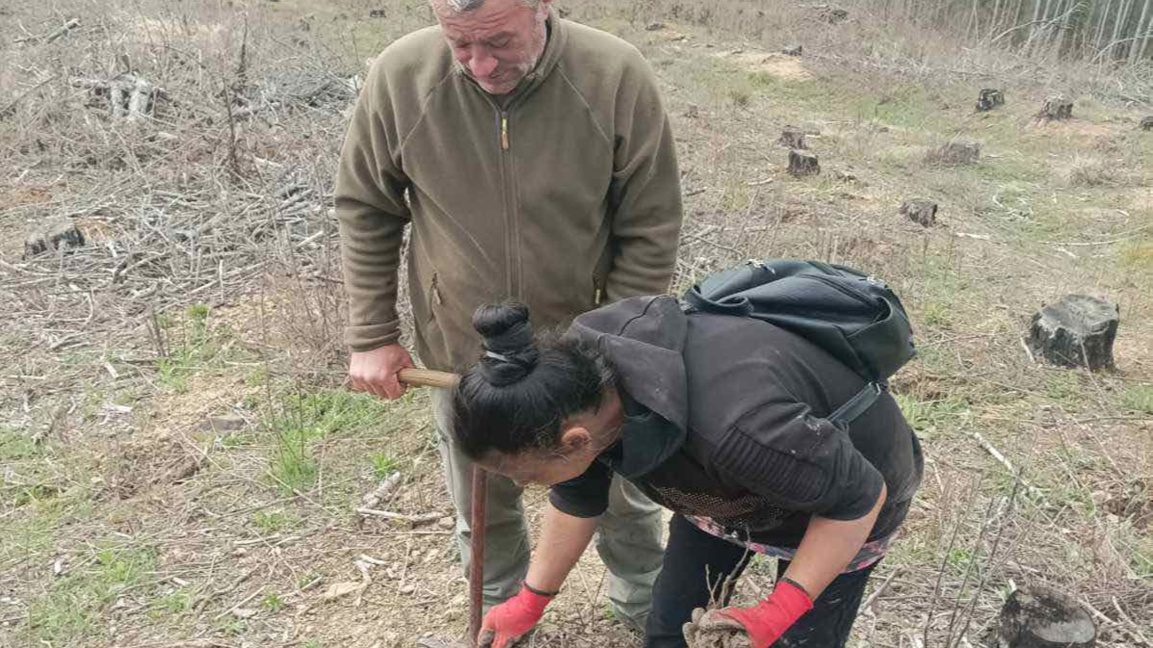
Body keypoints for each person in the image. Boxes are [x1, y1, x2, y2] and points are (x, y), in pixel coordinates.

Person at [333, 0, 684, 629]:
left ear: (542, 7)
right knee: (483, 489)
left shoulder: (613, 75)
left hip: (588, 354)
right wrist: (372, 334)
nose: (480, 64)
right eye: (460, 44)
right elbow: (366, 207)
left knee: (623, 487)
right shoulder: (401, 76)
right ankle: (499, 613)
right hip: (463, 350)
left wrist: (615, 343)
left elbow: (650, 222)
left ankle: (645, 601)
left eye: (498, 40)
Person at [450, 298, 924, 648]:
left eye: (524, 476)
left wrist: (779, 609)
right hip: (722, 497)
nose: (520, 484)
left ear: (574, 441)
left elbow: (858, 498)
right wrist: (532, 600)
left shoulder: (736, 428)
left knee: (799, 640)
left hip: (844, 498)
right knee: (668, 631)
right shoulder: (571, 391)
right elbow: (576, 496)